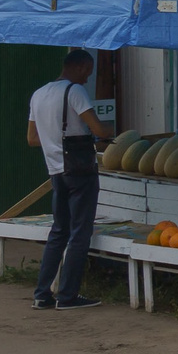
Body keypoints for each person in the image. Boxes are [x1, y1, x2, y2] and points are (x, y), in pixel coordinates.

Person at [26, 49, 112, 310]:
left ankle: (42, 295)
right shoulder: (75, 91)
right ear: (81, 67)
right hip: (80, 171)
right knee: (79, 232)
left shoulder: (38, 94)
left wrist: (55, 139)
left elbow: (32, 139)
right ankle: (68, 296)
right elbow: (98, 129)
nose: (88, 77)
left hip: (56, 171)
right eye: (88, 71)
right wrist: (110, 133)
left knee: (59, 231)